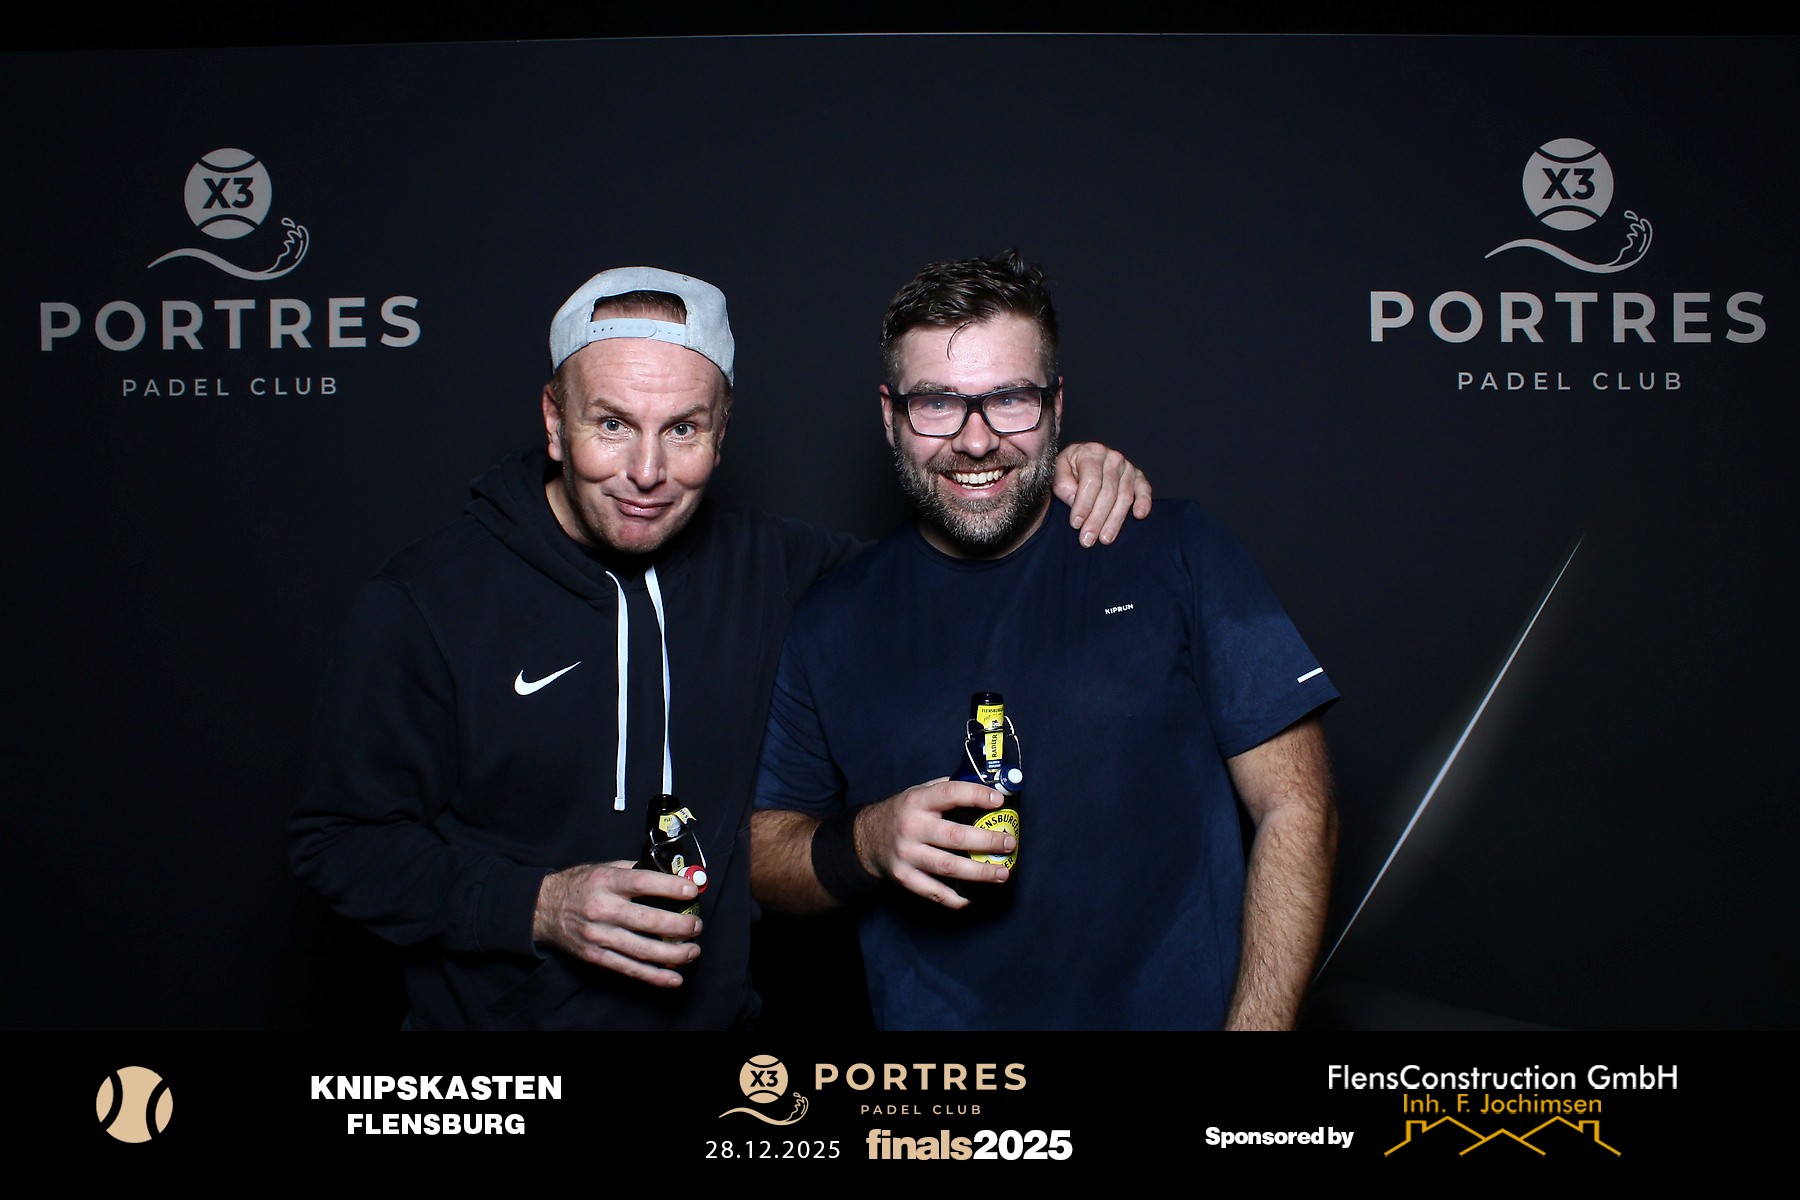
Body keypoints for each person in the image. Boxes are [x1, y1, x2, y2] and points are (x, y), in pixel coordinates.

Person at [288, 265, 1151, 1031]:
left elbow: (947, 566)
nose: (646, 470)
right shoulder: (429, 599)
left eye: (683, 429)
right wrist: (541, 905)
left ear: (724, 428)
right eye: (612, 424)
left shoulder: (782, 570)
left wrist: (1042, 472)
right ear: (554, 420)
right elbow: (338, 844)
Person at [751, 250, 1339, 1030]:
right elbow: (764, 855)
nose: (976, 440)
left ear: (1055, 405)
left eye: (1009, 399)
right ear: (890, 415)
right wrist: (868, 841)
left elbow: (1298, 807)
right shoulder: (832, 618)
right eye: (937, 403)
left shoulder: (1173, 549)